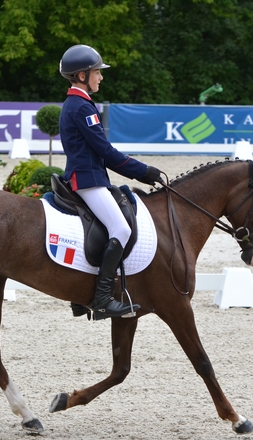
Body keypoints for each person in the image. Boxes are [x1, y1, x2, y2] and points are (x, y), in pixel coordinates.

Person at [58, 44, 164, 319]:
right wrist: (143, 171)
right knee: (121, 229)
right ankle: (103, 299)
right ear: (82, 75)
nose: (101, 77)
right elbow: (106, 152)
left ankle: (80, 296)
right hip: (88, 180)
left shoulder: (76, 103)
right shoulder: (81, 107)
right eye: (97, 72)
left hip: (85, 177)